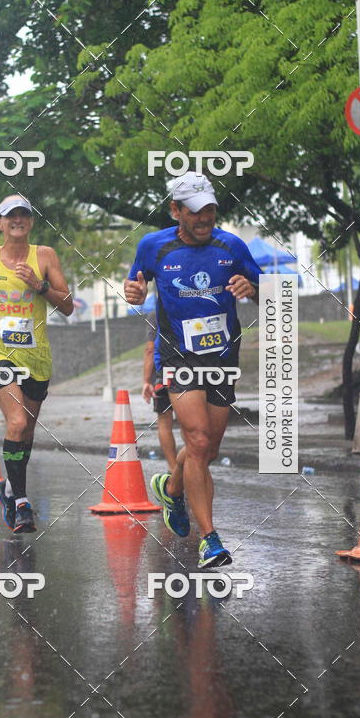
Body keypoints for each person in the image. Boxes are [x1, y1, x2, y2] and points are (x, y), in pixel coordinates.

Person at [124, 172, 261, 567]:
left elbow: (273, 290)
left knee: (209, 449)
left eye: (211, 211)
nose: (204, 219)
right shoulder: (154, 246)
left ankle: (171, 489)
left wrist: (254, 290)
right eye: (196, 212)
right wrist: (133, 292)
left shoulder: (231, 245)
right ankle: (211, 540)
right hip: (178, 355)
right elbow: (135, 285)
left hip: (223, 356)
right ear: (176, 211)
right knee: (198, 442)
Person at [0, 194, 73, 533]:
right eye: (11, 216)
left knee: (26, 432)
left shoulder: (45, 256)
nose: (18, 221)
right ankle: (22, 504)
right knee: (17, 423)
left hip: (36, 355)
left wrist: (39, 286)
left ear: (31, 222)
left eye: (24, 215)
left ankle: (9, 490)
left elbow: (67, 305)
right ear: (0, 223)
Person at [142, 310, 178, 471]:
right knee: (188, 422)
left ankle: (173, 467)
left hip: (164, 374)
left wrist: (146, 381)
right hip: (191, 370)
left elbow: (150, 349)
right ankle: (191, 462)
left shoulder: (155, 314)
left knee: (164, 421)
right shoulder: (190, 307)